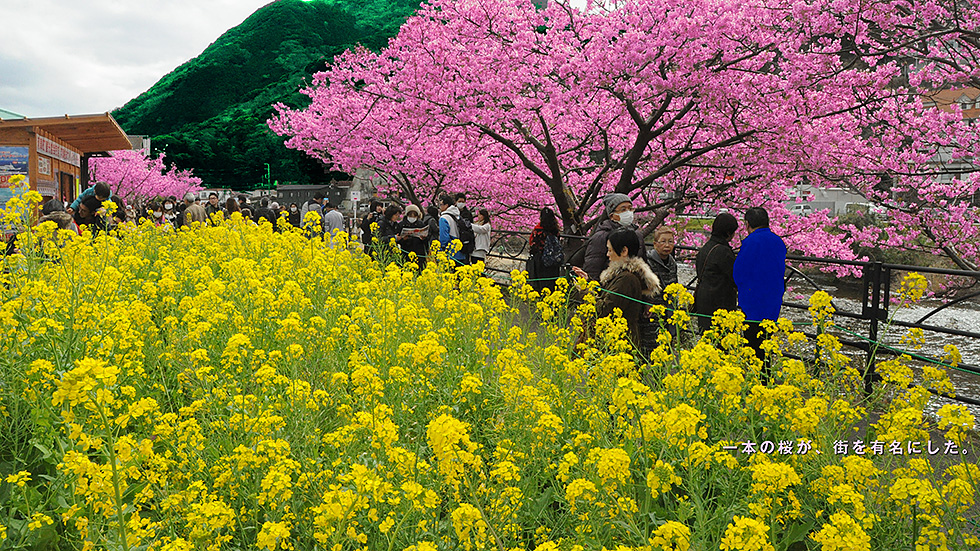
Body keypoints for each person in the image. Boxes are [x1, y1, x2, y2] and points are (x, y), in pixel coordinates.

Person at [571, 228, 661, 348]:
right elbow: (609, 295)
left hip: (618, 342)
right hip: (614, 338)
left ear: (624, 251)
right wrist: (589, 282)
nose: (607, 254)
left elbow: (604, 309)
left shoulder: (626, 279)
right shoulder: (621, 275)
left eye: (610, 250)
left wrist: (585, 291)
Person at [733, 207, 787, 381]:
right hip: (773, 298)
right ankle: (766, 376)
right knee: (766, 340)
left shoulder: (751, 242)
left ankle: (756, 380)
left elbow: (739, 272)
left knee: (752, 342)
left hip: (753, 299)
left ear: (747, 224)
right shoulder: (778, 241)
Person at [583, 193, 648, 280]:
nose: (628, 212)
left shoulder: (637, 234)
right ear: (612, 215)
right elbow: (593, 269)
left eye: (630, 208)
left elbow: (643, 261)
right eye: (623, 209)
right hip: (611, 286)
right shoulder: (601, 237)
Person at [693, 212, 739, 333]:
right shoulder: (723, 252)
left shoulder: (706, 248)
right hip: (720, 304)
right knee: (721, 341)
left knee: (707, 338)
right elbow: (735, 278)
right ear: (728, 233)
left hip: (703, 301)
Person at [527, 207, 563, 292]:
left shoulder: (538, 230)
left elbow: (533, 245)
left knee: (542, 283)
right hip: (554, 260)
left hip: (541, 260)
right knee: (552, 282)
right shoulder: (555, 230)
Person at [647, 227, 678, 301]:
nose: (667, 245)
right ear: (655, 244)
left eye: (670, 241)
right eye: (663, 241)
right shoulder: (648, 262)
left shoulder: (672, 263)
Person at [438, 193, 467, 266]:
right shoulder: (457, 215)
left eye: (441, 205)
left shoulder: (444, 218)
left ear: (446, 205)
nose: (440, 207)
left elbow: (444, 237)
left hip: (450, 252)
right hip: (460, 250)